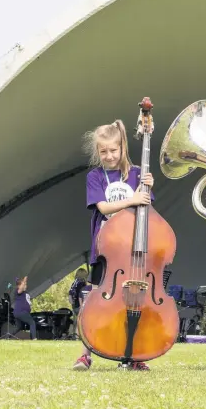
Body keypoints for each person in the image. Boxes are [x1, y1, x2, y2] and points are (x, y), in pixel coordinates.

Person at [73, 120, 155, 371]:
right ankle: (85, 353)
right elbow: (103, 207)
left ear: (123, 148)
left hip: (132, 251)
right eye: (103, 151)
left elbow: (146, 209)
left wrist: (147, 187)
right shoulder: (95, 176)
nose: (109, 156)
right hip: (105, 249)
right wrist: (132, 198)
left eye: (113, 150)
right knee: (97, 300)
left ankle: (133, 354)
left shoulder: (137, 173)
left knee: (134, 302)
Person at [13, 276, 37, 340]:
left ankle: (9, 337)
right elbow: (20, 289)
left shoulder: (24, 293)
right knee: (32, 323)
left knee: (19, 327)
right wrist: (24, 281)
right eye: (24, 284)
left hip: (19, 313)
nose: (25, 285)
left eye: (25, 284)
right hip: (21, 312)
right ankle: (34, 338)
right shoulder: (17, 291)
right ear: (19, 286)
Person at [68, 268, 89, 337]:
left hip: (74, 306)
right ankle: (81, 335)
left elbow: (70, 295)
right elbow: (82, 295)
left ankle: (76, 335)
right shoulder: (82, 284)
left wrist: (73, 304)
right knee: (84, 321)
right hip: (80, 305)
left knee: (78, 321)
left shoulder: (74, 283)